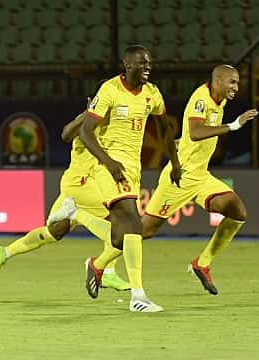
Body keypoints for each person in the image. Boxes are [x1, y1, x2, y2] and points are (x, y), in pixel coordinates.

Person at [0, 95, 130, 291]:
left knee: (55, 231)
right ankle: (107, 271)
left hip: (78, 186)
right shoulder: (89, 120)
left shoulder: (117, 124)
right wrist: (88, 113)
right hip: (81, 185)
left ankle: (3, 253)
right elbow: (66, 134)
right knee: (122, 225)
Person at [77, 45, 182, 312]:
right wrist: (108, 162)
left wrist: (175, 163)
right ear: (127, 64)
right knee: (135, 225)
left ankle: (97, 265)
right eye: (142, 63)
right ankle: (139, 296)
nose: (148, 67)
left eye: (149, 63)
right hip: (107, 166)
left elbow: (165, 131)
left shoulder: (152, 94)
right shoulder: (110, 90)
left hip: (131, 169)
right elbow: (86, 131)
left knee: (123, 235)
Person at [142, 65, 257, 295]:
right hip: (181, 176)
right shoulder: (201, 99)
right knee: (144, 231)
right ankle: (101, 264)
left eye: (237, 82)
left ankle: (202, 264)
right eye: (232, 82)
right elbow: (195, 132)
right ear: (217, 80)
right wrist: (233, 126)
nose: (236, 86)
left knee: (237, 211)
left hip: (201, 176)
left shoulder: (220, 100)